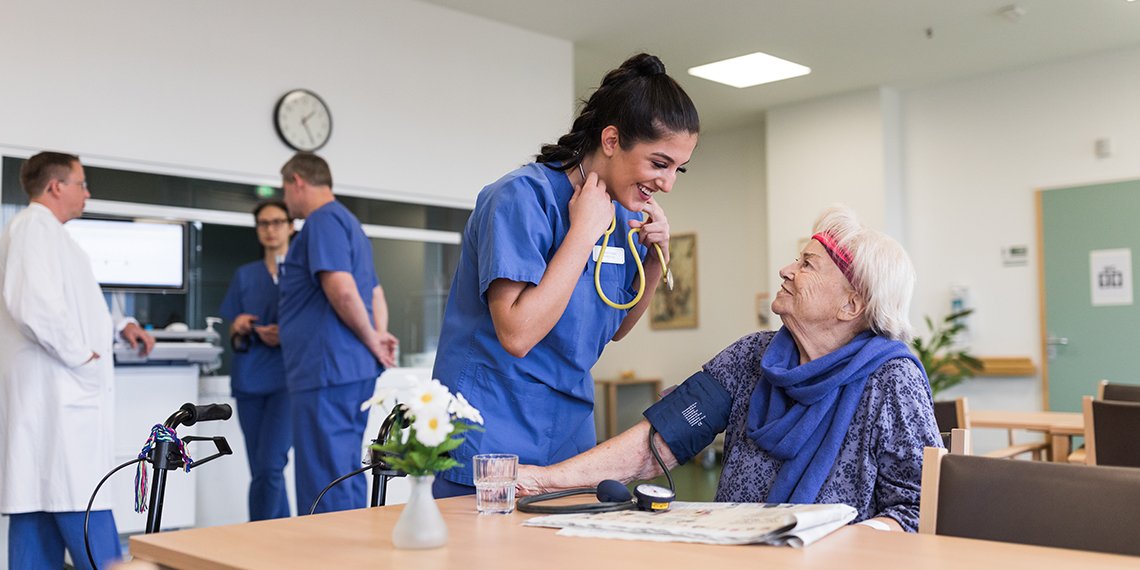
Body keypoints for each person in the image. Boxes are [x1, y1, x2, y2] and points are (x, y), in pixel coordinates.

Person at [516, 206, 942, 533]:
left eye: (808, 264)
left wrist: (840, 542)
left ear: (851, 305)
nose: (786, 270)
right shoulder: (752, 357)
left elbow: (921, 505)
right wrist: (541, 480)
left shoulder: (890, 380)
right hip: (730, 552)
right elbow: (658, 441)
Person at [431, 53, 700, 497]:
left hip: (570, 437)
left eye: (678, 168)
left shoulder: (622, 213)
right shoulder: (520, 198)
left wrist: (655, 261)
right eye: (659, 163)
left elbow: (616, 327)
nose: (668, 184)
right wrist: (582, 233)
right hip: (492, 429)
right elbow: (516, 333)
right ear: (611, 139)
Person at [0, 152, 155, 568]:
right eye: (81, 183)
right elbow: (33, 304)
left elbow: (71, 303)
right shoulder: (33, 228)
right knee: (80, 501)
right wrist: (81, 356)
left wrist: (120, 323)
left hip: (55, 397)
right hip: (59, 392)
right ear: (55, 187)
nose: (87, 192)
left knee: (39, 504)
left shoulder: (50, 235)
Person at [277, 152, 398, 514]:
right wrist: (378, 333)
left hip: (325, 368)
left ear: (298, 181)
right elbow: (375, 291)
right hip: (346, 369)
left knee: (323, 475)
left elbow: (342, 289)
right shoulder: (350, 224)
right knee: (341, 469)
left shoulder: (322, 222)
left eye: (284, 188)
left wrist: (372, 338)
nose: (285, 199)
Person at [219, 200, 295, 520]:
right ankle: (286, 538)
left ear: (291, 226)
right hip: (250, 379)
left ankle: (257, 539)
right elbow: (233, 331)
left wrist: (288, 332)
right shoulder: (245, 275)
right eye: (263, 223)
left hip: (288, 381)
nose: (270, 229)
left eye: (277, 222)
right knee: (262, 470)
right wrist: (240, 326)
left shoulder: (301, 274)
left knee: (270, 465)